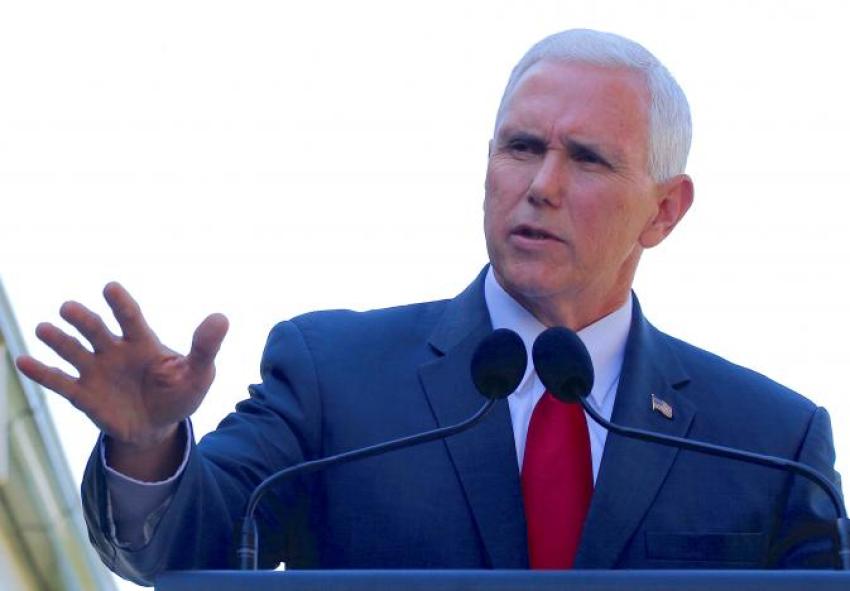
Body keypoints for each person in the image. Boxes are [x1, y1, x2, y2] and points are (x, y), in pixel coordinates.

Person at [16, 29, 841, 585]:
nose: (541, 185)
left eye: (585, 159)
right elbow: (187, 548)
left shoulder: (772, 442)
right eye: (522, 147)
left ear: (664, 210)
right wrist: (149, 443)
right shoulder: (333, 374)